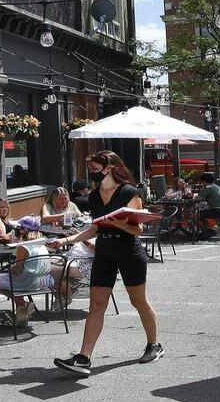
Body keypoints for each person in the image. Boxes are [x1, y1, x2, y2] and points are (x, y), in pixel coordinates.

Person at [49, 150, 164, 375]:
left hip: (128, 251)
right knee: (96, 305)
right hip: (104, 251)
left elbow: (138, 229)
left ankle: (154, 345)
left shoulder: (129, 192)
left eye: (95, 169)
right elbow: (95, 228)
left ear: (110, 167)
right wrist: (66, 240)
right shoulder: (93, 196)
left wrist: (118, 223)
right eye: (90, 170)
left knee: (138, 301)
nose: (92, 174)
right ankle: (84, 358)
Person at [0, 215, 53, 324]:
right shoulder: (42, 243)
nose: (16, 230)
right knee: (13, 279)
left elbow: (17, 270)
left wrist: (9, 267)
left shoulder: (24, 246)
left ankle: (23, 304)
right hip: (43, 281)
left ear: (24, 231)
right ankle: (21, 310)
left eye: (19, 228)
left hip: (28, 282)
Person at [195, 172, 220, 238]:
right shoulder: (215, 186)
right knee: (201, 213)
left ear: (203, 181)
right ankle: (209, 230)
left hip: (218, 211)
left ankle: (207, 232)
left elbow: (197, 200)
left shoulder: (207, 188)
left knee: (194, 215)